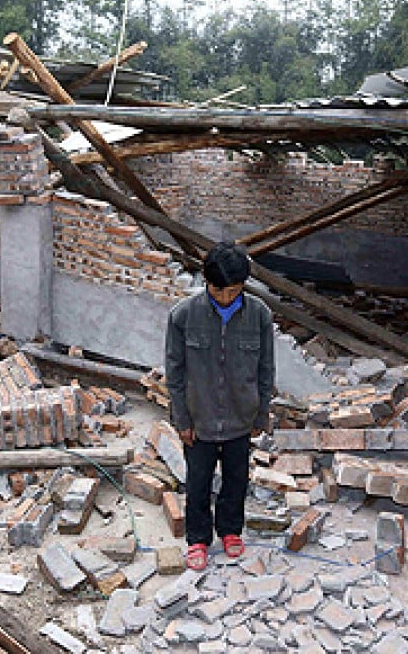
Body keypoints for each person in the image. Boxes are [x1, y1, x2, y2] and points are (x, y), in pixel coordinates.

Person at [164, 241, 275, 571]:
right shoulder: (183, 316)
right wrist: (182, 418)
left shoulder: (259, 315)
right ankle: (198, 538)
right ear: (206, 282)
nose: (225, 297)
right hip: (199, 420)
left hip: (242, 418)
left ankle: (230, 530)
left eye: (233, 290)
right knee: (197, 481)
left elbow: (266, 369)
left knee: (236, 479)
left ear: (243, 285)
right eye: (218, 290)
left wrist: (261, 412)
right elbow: (175, 371)